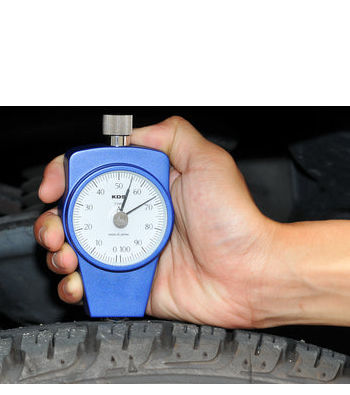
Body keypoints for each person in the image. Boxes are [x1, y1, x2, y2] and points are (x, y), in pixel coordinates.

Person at [34, 116, 350, 329]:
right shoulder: (84, 162)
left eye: (125, 213)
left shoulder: (153, 159)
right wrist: (253, 277)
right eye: (120, 215)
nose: (120, 218)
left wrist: (254, 271)